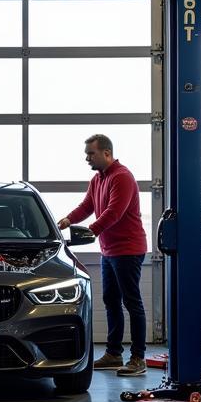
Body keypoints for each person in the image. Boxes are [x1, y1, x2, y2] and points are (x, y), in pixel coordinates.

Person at [58, 133, 147, 377]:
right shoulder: (97, 179)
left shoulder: (122, 177)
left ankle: (138, 358)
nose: (87, 158)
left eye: (91, 154)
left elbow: (114, 212)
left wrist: (90, 232)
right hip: (109, 251)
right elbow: (87, 206)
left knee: (132, 302)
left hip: (128, 250)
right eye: (87, 154)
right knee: (111, 300)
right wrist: (66, 221)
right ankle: (114, 354)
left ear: (106, 153)